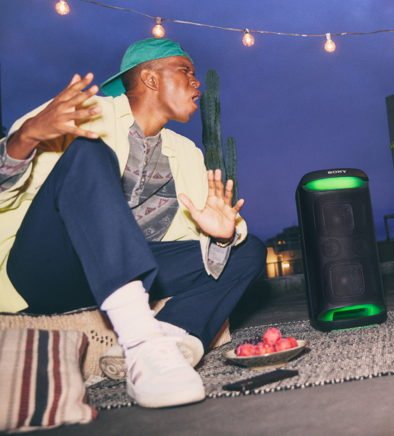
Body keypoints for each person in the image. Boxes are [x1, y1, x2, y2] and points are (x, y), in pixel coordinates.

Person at [0, 38, 266, 408]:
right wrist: (24, 139)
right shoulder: (88, 112)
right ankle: (141, 340)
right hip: (45, 267)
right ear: (151, 79)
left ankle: (169, 339)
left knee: (247, 249)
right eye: (185, 71)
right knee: (89, 151)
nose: (196, 82)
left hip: (132, 273)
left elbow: (205, 239)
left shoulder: (186, 152)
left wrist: (222, 238)